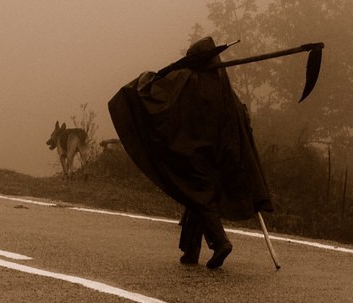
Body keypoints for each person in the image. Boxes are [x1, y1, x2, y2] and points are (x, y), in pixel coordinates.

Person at [108, 37, 272, 268]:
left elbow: (150, 92)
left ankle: (219, 242)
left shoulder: (186, 79)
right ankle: (191, 251)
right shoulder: (223, 87)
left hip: (193, 149)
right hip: (220, 152)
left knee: (199, 194)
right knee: (195, 194)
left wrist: (147, 78)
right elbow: (241, 120)